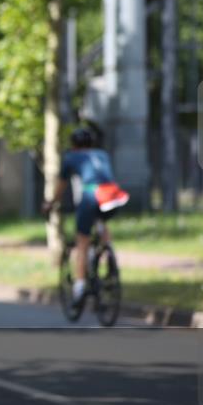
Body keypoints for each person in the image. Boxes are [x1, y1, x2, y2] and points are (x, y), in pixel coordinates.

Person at [44, 127, 129, 304]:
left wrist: (51, 203)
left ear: (73, 144)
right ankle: (108, 253)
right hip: (112, 195)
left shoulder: (72, 157)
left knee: (82, 241)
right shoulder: (102, 154)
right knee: (101, 221)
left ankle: (80, 286)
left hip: (91, 195)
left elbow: (61, 187)